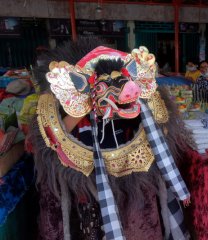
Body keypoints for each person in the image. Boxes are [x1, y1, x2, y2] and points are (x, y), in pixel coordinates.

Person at [29, 38, 191, 240]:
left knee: (137, 222)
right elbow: (54, 139)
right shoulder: (72, 105)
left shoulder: (131, 103)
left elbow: (155, 129)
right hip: (87, 192)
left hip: (131, 186)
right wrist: (86, 102)